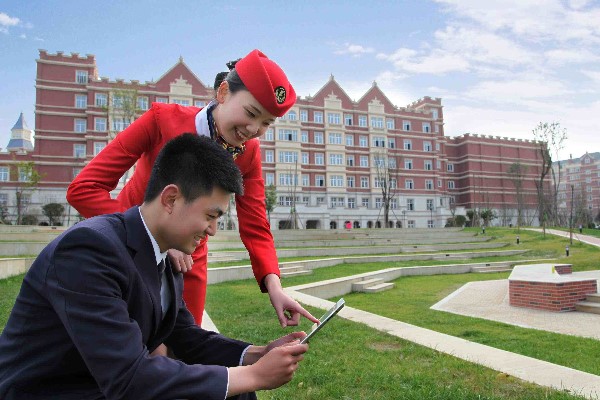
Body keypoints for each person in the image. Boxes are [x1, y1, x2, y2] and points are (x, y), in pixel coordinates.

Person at [0, 134, 308, 400]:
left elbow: (186, 337)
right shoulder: (89, 249)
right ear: (171, 199)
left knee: (234, 391)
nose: (213, 230)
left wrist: (256, 355)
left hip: (103, 387)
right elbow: (128, 377)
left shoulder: (163, 253)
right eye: (211, 216)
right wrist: (253, 375)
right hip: (55, 392)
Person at [67, 49, 318, 329]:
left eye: (266, 123)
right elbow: (84, 188)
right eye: (251, 113)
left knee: (186, 346)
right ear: (223, 93)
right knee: (130, 345)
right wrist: (152, 237)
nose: (253, 129)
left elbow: (256, 223)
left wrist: (275, 286)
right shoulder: (161, 119)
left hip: (189, 262)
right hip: (129, 250)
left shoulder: (248, 153)